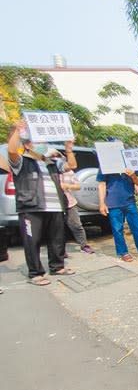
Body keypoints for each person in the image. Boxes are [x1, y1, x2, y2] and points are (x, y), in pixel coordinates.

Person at [7, 121, 75, 285]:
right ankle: (35, 273)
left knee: (57, 238)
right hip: (31, 207)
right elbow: (11, 150)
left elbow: (72, 165)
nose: (43, 145)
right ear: (29, 145)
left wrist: (69, 148)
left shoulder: (51, 162)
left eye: (44, 143)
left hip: (55, 206)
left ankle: (57, 266)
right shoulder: (22, 162)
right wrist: (18, 129)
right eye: (39, 143)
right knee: (33, 240)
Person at [97, 158, 138, 262]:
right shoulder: (105, 164)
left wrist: (132, 175)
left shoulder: (130, 163)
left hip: (129, 201)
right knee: (117, 229)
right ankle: (123, 252)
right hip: (113, 202)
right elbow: (102, 184)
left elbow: (137, 182)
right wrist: (102, 203)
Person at [59, 161, 95, 254]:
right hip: (55, 204)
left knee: (76, 225)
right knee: (57, 228)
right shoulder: (49, 172)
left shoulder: (69, 172)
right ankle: (60, 251)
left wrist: (67, 186)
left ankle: (84, 246)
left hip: (70, 202)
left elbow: (78, 186)